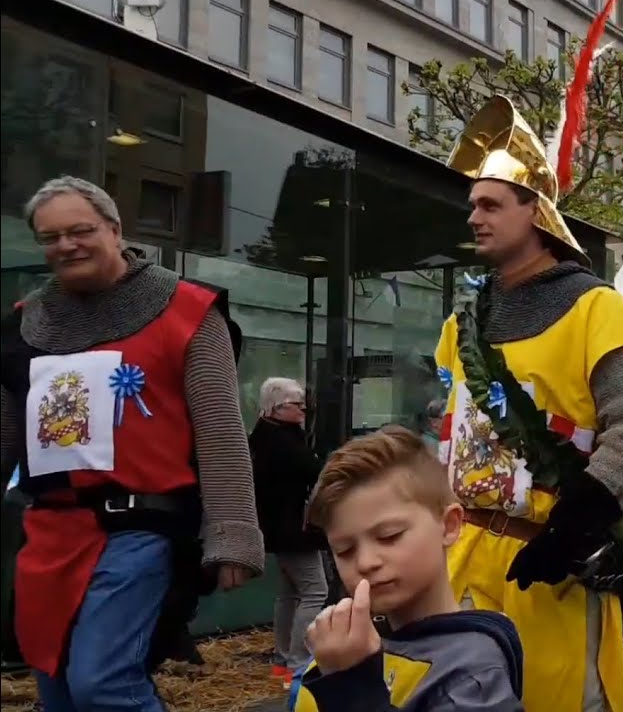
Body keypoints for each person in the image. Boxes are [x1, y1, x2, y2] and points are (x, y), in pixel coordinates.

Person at [0, 176, 263, 711]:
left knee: (102, 682)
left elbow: (219, 430)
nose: (66, 245)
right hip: (49, 534)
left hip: (141, 529)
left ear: (115, 229)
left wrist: (234, 535)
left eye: (80, 230)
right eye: (50, 237)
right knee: (57, 688)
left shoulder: (187, 310)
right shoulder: (26, 324)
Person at [432, 89, 623, 710]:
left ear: (535, 211)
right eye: (472, 205)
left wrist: (573, 527)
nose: (474, 217)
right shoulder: (463, 323)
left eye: (490, 204)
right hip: (464, 551)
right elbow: (449, 430)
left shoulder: (595, 308)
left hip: (553, 556)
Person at [291, 426, 522, 711]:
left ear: (449, 526)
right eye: (344, 550)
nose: (365, 562)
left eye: (389, 536)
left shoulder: (472, 677)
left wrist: (352, 688)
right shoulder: (345, 647)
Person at [250, 377, 329, 687]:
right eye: (296, 405)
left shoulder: (263, 436)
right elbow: (312, 471)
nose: (303, 410)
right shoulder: (282, 442)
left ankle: (283, 661)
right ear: (276, 408)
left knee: (290, 592)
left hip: (278, 527)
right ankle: (299, 662)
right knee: (315, 590)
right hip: (294, 528)